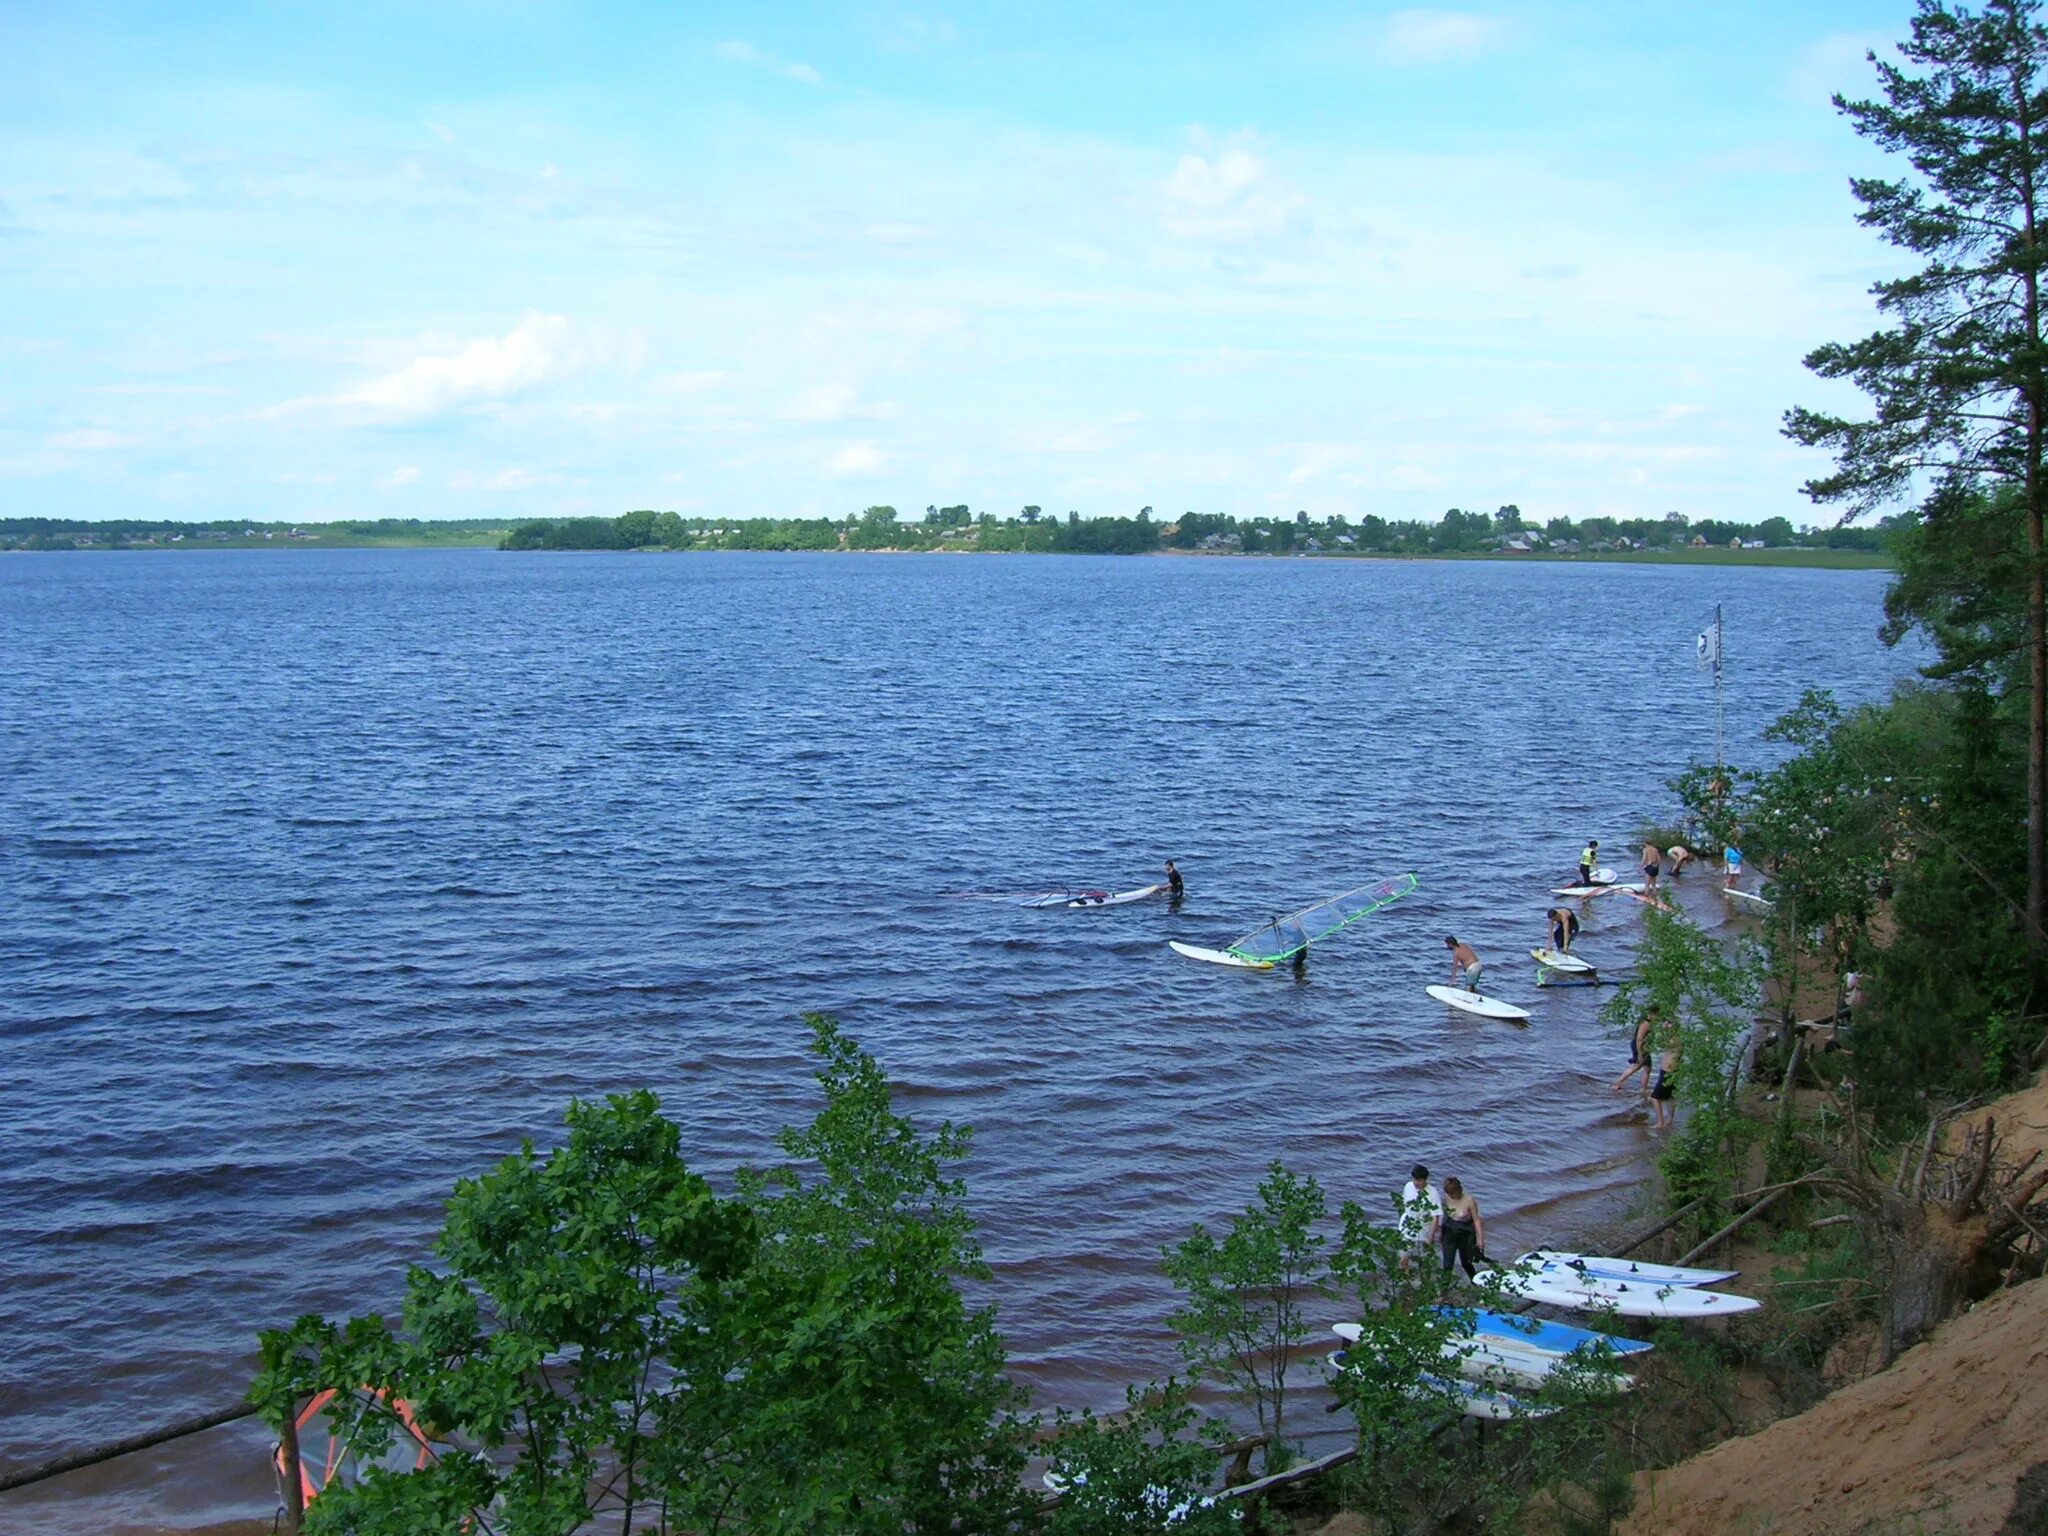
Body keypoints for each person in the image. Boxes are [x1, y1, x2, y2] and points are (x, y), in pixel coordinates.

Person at [1431, 1176, 1487, 1281]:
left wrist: (1480, 1239)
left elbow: (1477, 1220)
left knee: (1466, 1263)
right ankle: (1444, 1291)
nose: (1451, 1196)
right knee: (1447, 1264)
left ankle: (1476, 1283)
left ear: (1459, 1190)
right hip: (1449, 1233)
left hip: (1465, 1234)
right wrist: (1436, 1232)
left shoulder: (1469, 1200)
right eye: (1449, 1194)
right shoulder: (1445, 1197)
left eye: (1453, 1194)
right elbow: (1439, 1216)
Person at [1397, 1163, 1443, 1270]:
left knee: (1424, 1262)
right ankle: (1406, 1280)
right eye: (1415, 1180)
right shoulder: (1408, 1186)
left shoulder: (1432, 1193)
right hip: (1407, 1229)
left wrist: (1430, 1238)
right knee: (1403, 1259)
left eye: (1419, 1180)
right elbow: (1405, 1205)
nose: (1416, 1183)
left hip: (1423, 1232)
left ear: (1425, 1180)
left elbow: (1435, 1217)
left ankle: (1423, 1282)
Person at [1612, 1007, 1657, 1093]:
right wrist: (1640, 1053)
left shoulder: (1647, 1022)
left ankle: (1643, 1088)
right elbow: (1639, 1039)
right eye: (1657, 1015)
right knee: (1638, 1066)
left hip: (1642, 1046)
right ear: (1652, 1014)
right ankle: (1618, 1083)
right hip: (1640, 1046)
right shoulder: (1646, 1024)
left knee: (1647, 1068)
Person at [1650, 1039, 1680, 1130]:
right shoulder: (1675, 1038)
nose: (1666, 1024)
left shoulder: (1675, 1039)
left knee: (1654, 1098)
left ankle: (1660, 1122)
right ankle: (1670, 1119)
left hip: (1669, 1072)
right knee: (1669, 1096)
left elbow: (1662, 1044)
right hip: (1669, 1071)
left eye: (1669, 1023)